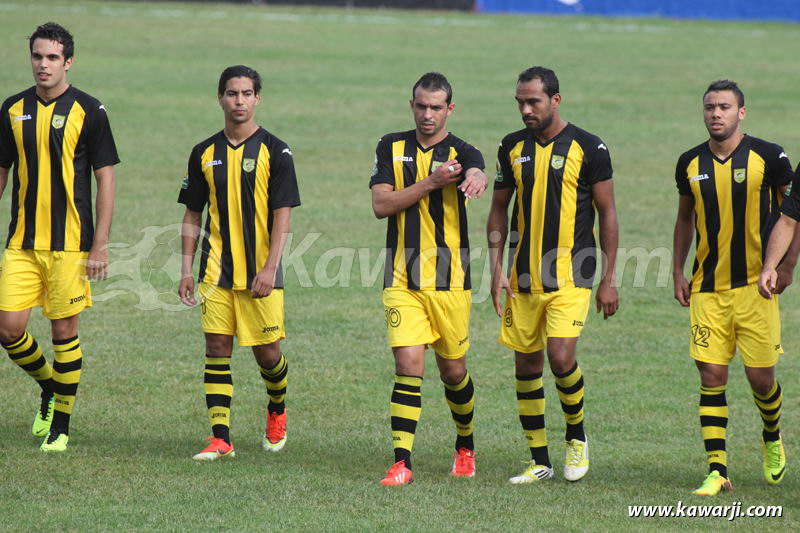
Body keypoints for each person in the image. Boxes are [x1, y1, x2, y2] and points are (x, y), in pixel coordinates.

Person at [487, 66, 619, 484]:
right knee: (525, 367)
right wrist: (495, 270)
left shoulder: (589, 147)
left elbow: (608, 214)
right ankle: (539, 460)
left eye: (534, 102)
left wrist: (609, 278)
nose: (525, 109)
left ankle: (577, 438)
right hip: (522, 277)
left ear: (555, 100)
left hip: (571, 277)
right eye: (520, 102)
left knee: (560, 358)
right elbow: (498, 211)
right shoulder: (511, 147)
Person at [673, 80, 796, 496]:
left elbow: (792, 214)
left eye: (724, 107)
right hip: (708, 288)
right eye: (709, 107)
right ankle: (716, 469)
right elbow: (685, 219)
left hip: (755, 288)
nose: (716, 114)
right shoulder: (689, 163)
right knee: (711, 375)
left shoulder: (770, 157)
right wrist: (677, 269)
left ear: (741, 112)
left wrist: (787, 265)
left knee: (761, 380)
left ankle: (772, 435)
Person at [0, 22, 118, 452]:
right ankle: (50, 386)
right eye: (37, 56)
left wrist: (100, 244)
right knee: (8, 329)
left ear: (68, 61)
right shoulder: (12, 109)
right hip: (22, 243)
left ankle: (61, 425)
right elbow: (2, 171)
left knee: (63, 332)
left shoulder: (90, 110)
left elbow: (106, 180)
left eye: (52, 57)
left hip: (71, 244)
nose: (43, 64)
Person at [370, 72, 488, 486]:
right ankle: (402, 462)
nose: (427, 114)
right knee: (408, 365)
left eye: (436, 107)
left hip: (450, 282)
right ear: (412, 105)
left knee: (453, 372)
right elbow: (381, 205)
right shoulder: (391, 146)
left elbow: (478, 171)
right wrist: (431, 183)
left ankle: (466, 444)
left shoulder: (464, 151)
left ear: (449, 110)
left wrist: (476, 178)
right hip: (402, 278)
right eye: (421, 105)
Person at [177, 65, 300, 461]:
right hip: (215, 271)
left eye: (247, 93)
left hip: (261, 274)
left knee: (268, 356)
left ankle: (277, 407)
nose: (240, 101)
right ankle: (220, 437)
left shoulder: (275, 151)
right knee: (216, 348)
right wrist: (184, 268)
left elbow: (283, 214)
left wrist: (269, 268)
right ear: (220, 98)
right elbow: (192, 215)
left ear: (258, 98)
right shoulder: (203, 153)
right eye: (233, 94)